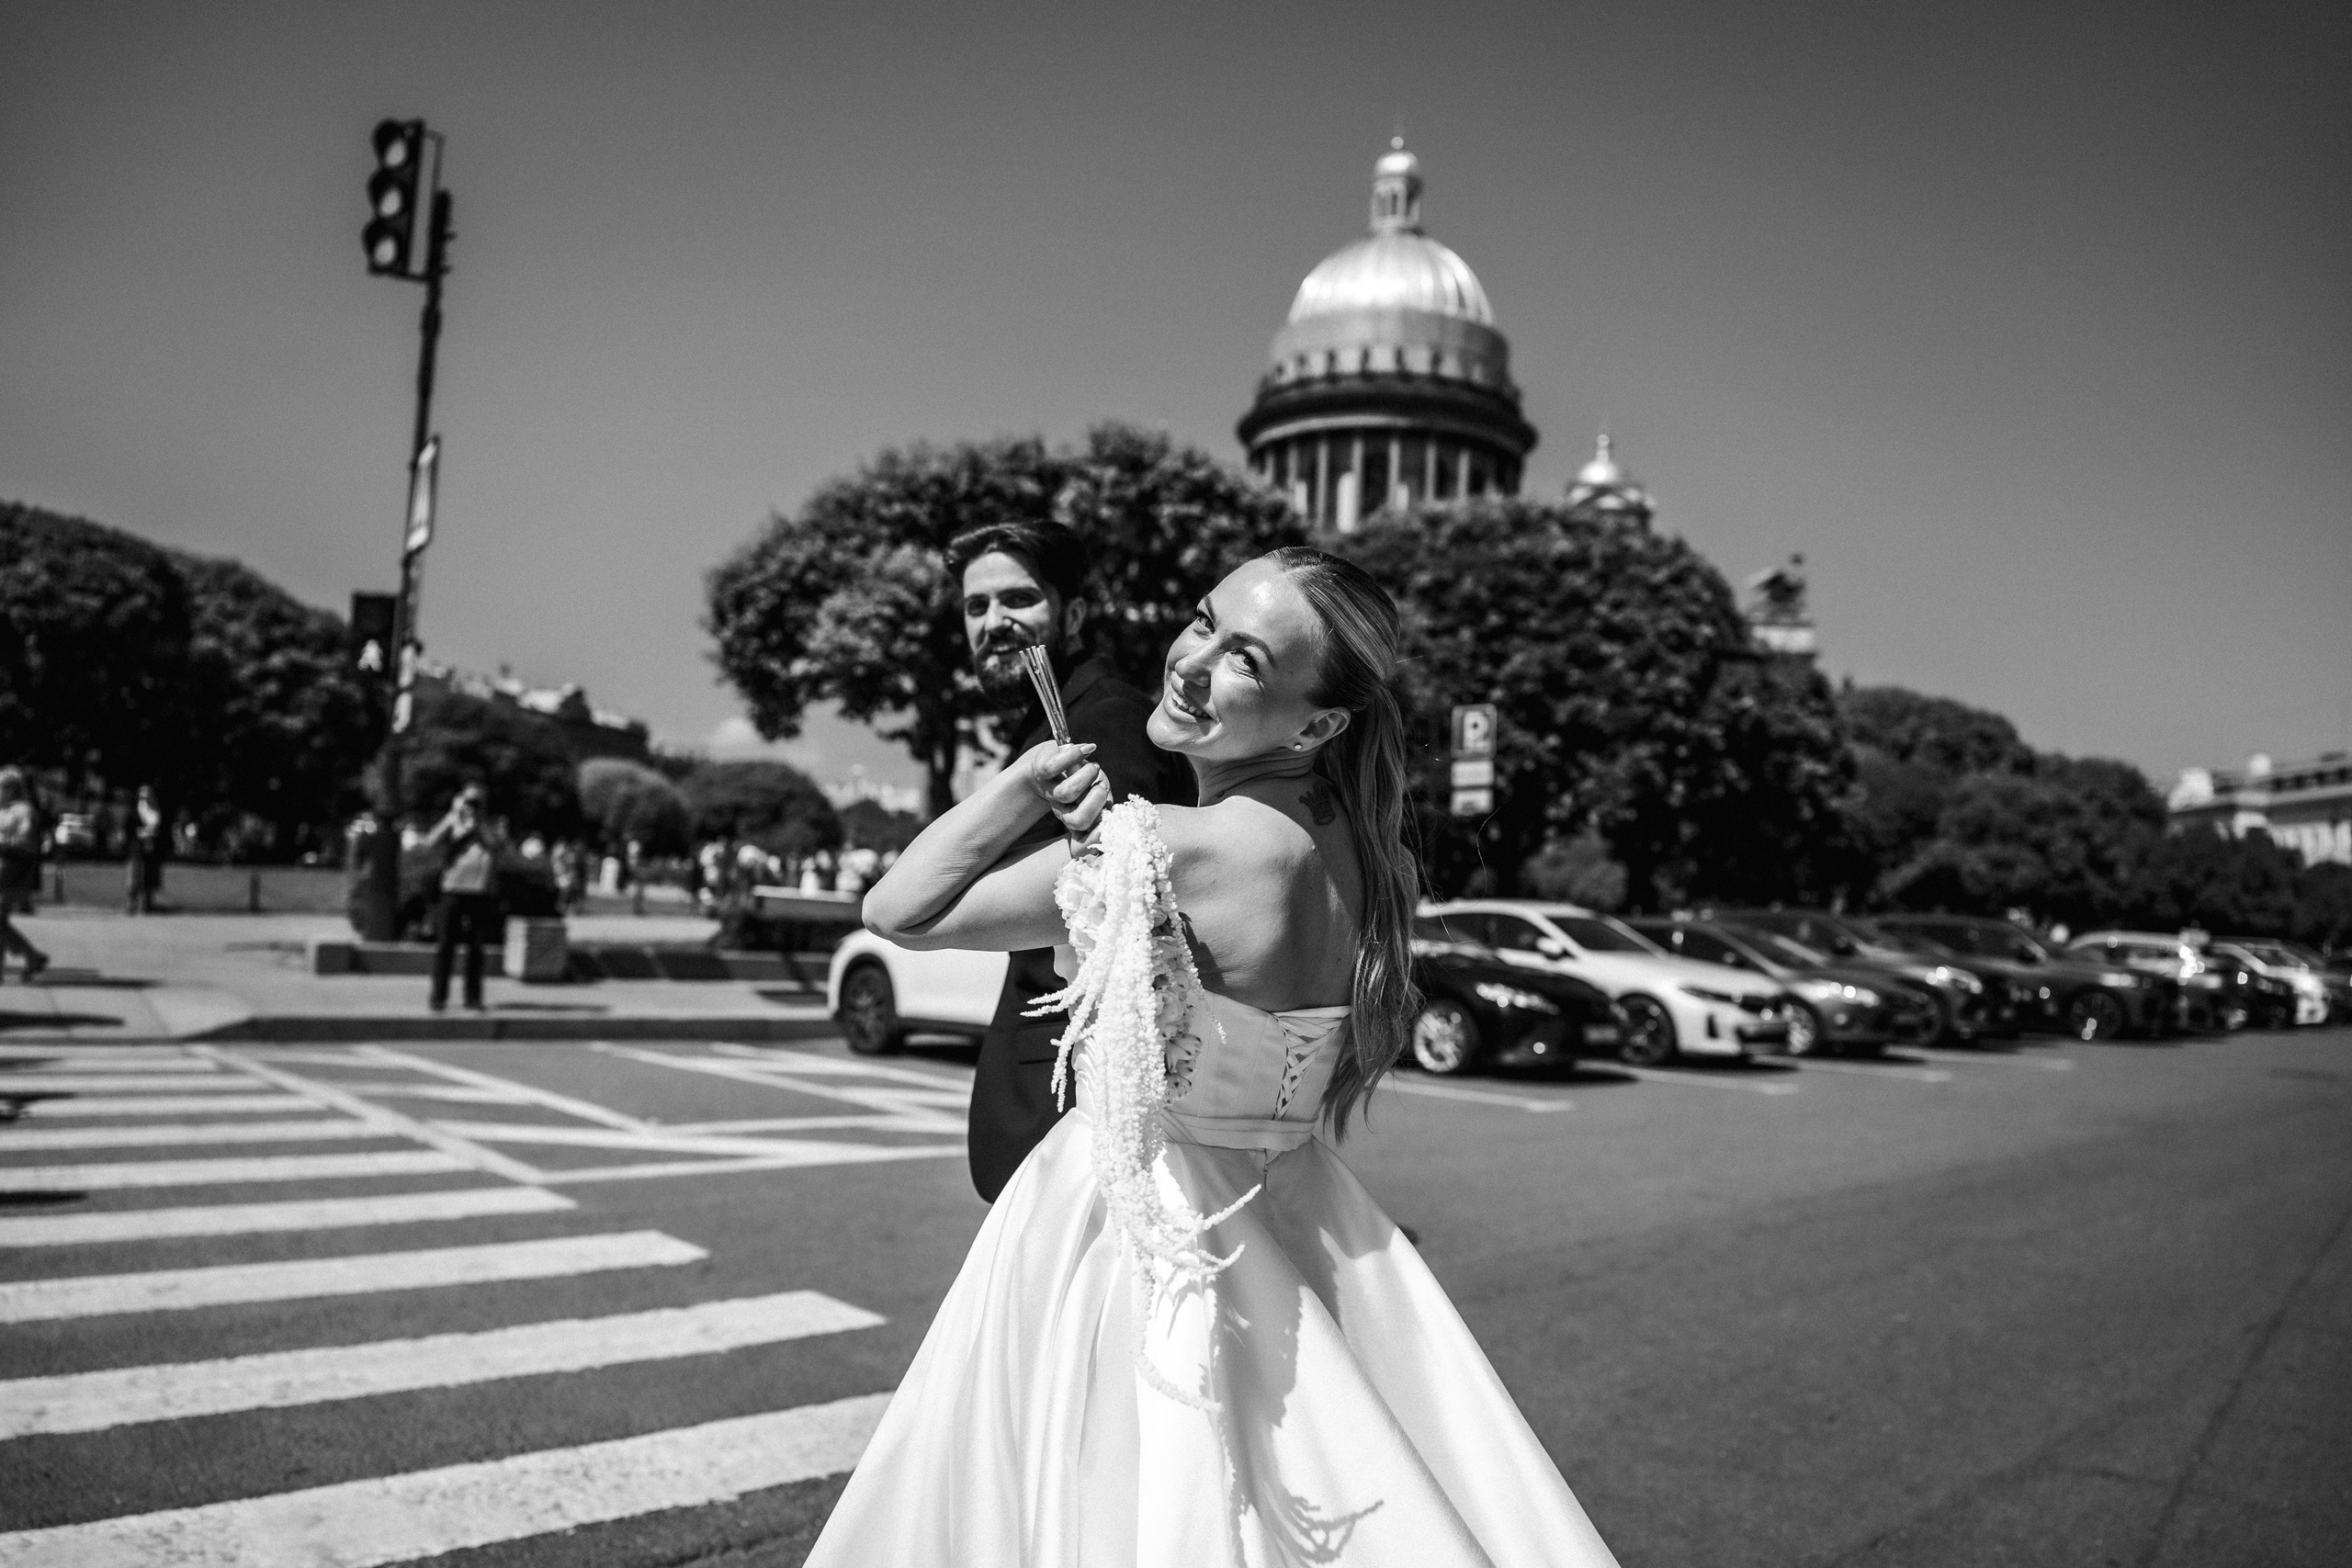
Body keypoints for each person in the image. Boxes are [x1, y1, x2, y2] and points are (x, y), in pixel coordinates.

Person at [806, 549, 1616, 1566]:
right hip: (1304, 1206)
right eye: (1201, 620)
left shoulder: (1173, 847)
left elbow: (899, 910)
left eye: (1246, 660)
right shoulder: (1371, 858)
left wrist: (1023, 784)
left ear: (1317, 726)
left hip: (1145, 1220)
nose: (1191, 661)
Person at [951, 519, 1194, 1202]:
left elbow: (1121, 928)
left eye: (1018, 599)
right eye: (976, 606)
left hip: (1078, 1103)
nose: (993, 622)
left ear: (1076, 614)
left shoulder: (1103, 720)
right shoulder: (1047, 723)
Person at [423, 784, 501, 1013]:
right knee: (445, 945)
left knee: (476, 947)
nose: (473, 806)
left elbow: (496, 846)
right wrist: (452, 816)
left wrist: (479, 823)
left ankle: (473, 997)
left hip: (479, 892)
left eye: (477, 802)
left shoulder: (488, 825)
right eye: (469, 801)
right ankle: (438, 996)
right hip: (452, 889)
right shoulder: (453, 821)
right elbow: (430, 842)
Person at [0, 768, 50, 982]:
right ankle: (32, 957)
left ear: (12, 790)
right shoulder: (3, 811)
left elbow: (26, 842)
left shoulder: (24, 811)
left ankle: (32, 957)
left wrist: (3, 844)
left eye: (1, 788)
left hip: (13, 873)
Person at [124, 784, 164, 914]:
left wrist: (153, 835)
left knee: (149, 876)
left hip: (151, 849)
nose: (145, 799)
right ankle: (132, 904)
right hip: (137, 848)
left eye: (147, 796)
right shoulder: (134, 812)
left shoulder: (156, 811)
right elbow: (129, 828)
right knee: (134, 876)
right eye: (142, 797)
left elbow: (160, 830)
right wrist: (139, 834)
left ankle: (147, 904)